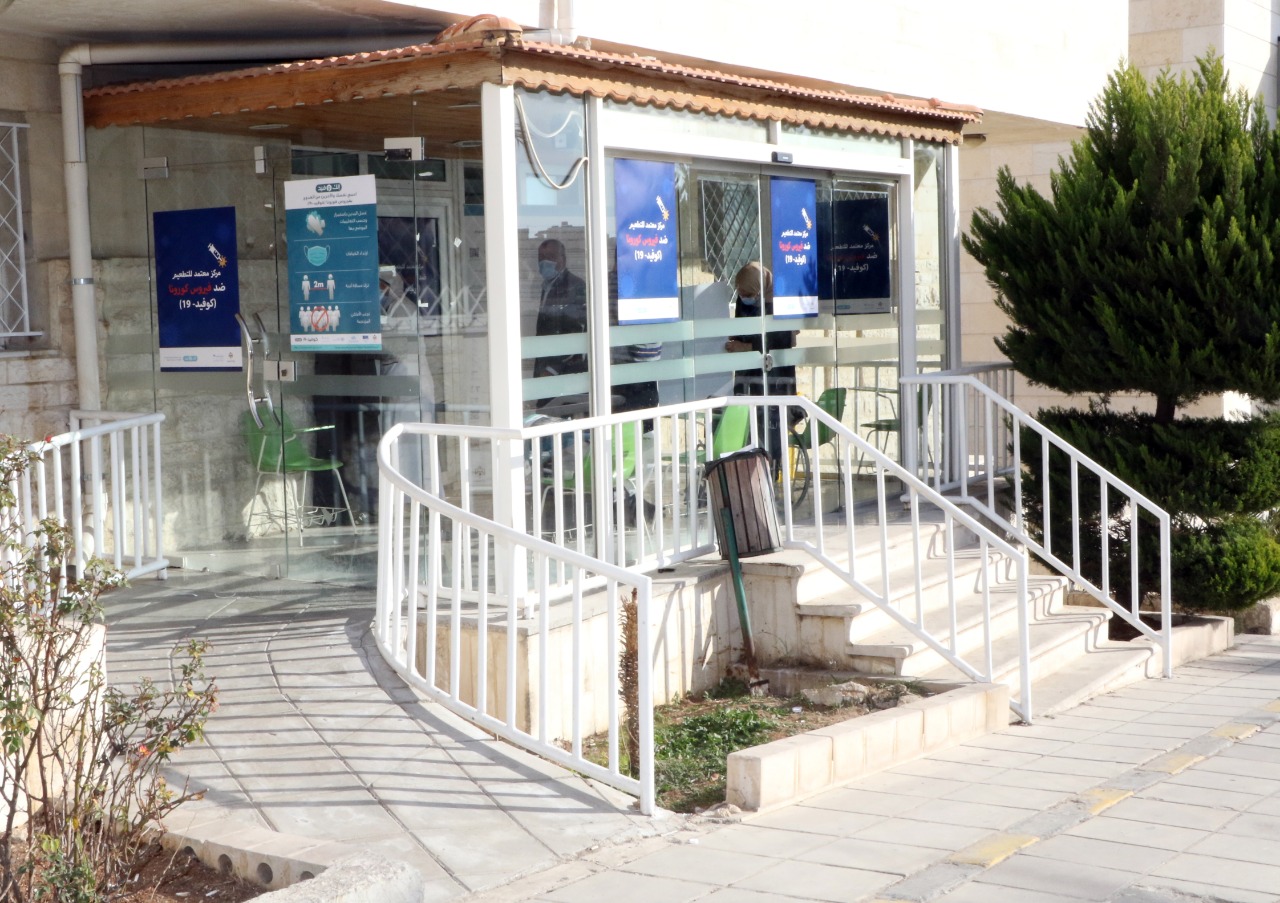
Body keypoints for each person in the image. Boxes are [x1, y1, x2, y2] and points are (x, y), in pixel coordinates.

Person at [725, 262, 797, 468]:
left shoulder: (779, 303)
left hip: (774, 376)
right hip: (748, 374)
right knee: (748, 426)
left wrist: (746, 346)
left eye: (748, 293)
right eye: (740, 292)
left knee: (771, 427)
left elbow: (781, 339)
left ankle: (771, 471)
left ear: (760, 288)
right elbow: (742, 327)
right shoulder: (744, 301)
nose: (744, 297)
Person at [531, 238, 589, 382]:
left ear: (563, 260)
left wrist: (552, 369)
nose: (544, 262)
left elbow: (576, 333)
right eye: (541, 257)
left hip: (564, 372)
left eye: (551, 257)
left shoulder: (575, 286)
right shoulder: (546, 285)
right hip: (544, 366)